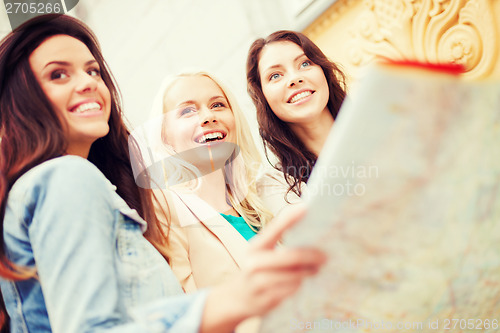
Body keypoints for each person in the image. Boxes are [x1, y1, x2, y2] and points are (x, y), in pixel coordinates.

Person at [0, 15, 326, 332]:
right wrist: (231, 301)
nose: (87, 82)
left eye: (93, 71)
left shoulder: (98, 188)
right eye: (58, 74)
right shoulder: (69, 178)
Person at [135, 71, 301, 296]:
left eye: (217, 105)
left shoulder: (262, 197)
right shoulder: (163, 210)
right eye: (187, 111)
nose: (208, 117)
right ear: (165, 136)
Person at [246, 30, 347, 197]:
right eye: (275, 75)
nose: (294, 78)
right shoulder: (277, 187)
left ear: (324, 71)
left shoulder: (384, 127)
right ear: (262, 97)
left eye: (305, 64)